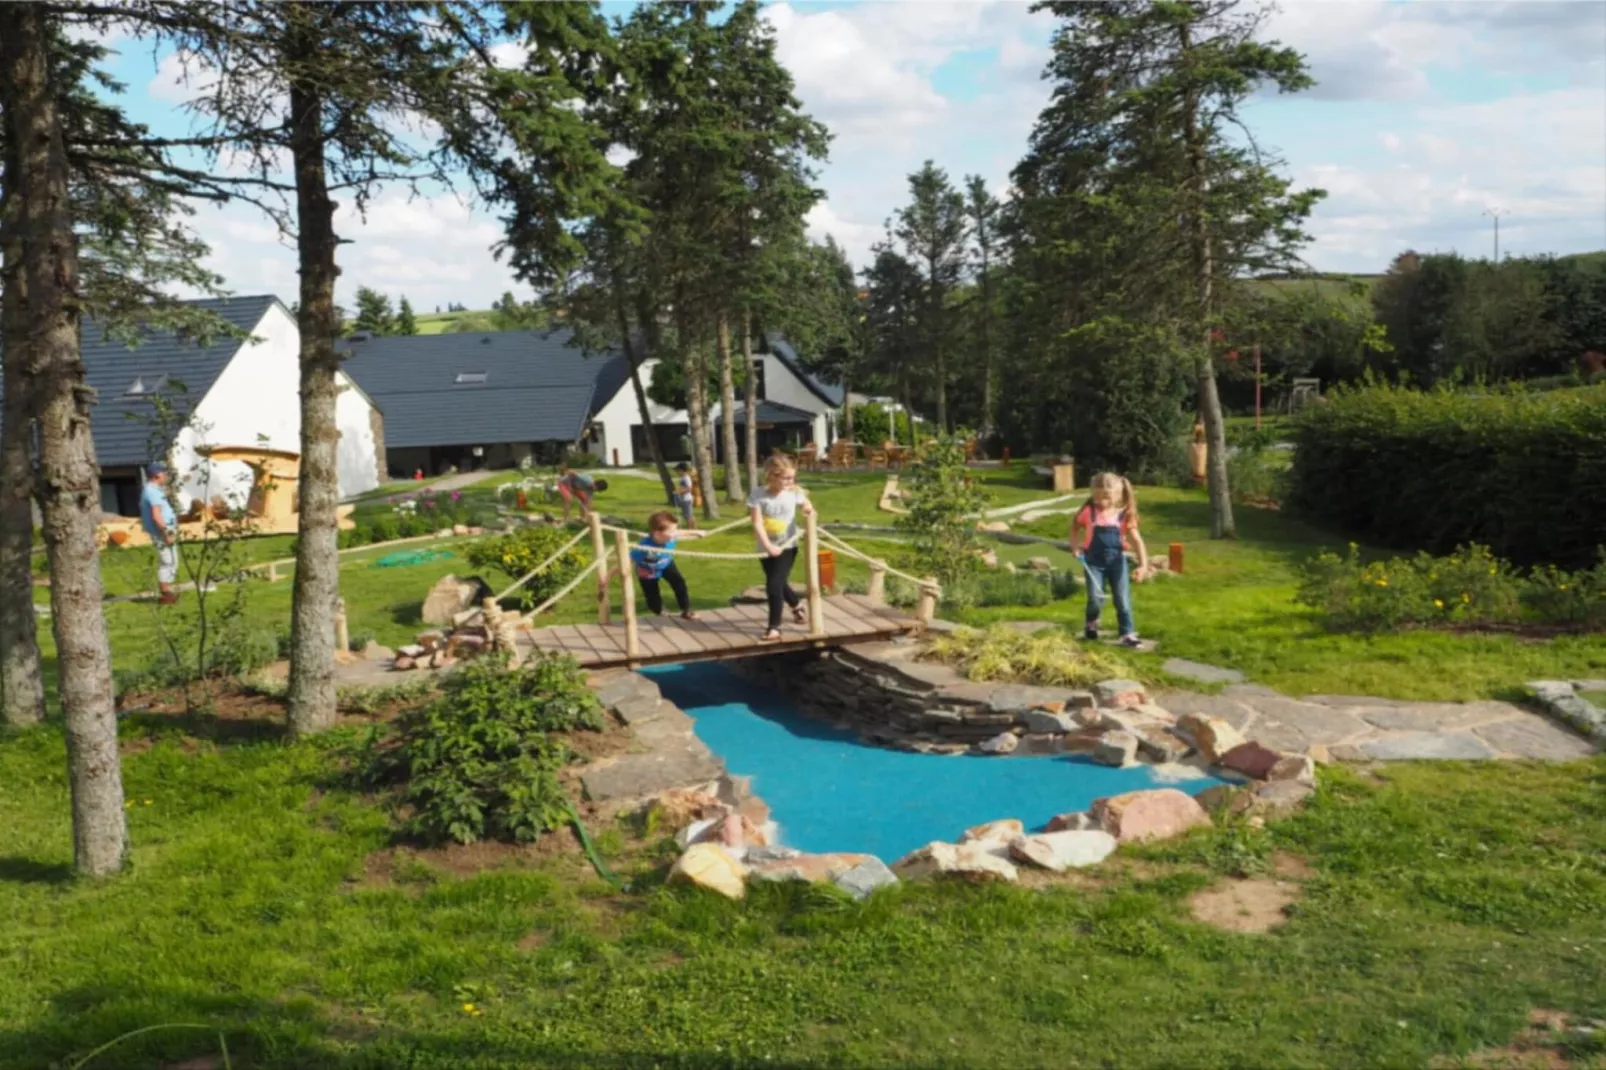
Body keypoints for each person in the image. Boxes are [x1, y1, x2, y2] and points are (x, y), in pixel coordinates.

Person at [1070, 471, 1151, 647]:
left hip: (1117, 563)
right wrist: (1075, 547)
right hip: (1093, 563)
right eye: (1098, 497)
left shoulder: (1123, 515)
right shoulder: (1088, 512)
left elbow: (1137, 540)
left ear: (1117, 494)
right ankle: (1091, 623)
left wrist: (1143, 565)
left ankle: (1127, 633)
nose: (1101, 501)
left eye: (1106, 496)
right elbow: (1074, 527)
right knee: (1095, 598)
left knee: (1122, 599)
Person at [748, 453, 813, 642]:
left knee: (773, 585)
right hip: (766, 546)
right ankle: (797, 606)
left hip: (788, 545)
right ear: (772, 476)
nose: (790, 481)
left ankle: (774, 627)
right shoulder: (758, 494)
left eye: (792, 477)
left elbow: (806, 503)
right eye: (785, 478)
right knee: (778, 581)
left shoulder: (794, 492)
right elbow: (757, 523)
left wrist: (807, 509)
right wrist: (768, 546)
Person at [629, 510, 705, 619]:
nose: (675, 533)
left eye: (675, 529)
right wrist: (607, 577)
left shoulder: (670, 536)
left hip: (666, 564)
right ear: (657, 533)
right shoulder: (644, 546)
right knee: (652, 595)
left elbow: (679, 532)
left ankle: (686, 610)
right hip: (647, 571)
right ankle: (660, 611)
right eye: (672, 531)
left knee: (679, 583)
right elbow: (628, 560)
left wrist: (697, 532)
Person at [140, 462, 180, 605]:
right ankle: (165, 594)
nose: (166, 475)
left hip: (166, 530)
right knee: (167, 561)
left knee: (173, 561)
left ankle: (168, 591)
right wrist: (166, 533)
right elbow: (156, 515)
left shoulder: (155, 490)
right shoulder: (151, 491)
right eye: (164, 473)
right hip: (161, 532)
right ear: (156, 475)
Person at [673, 462, 697, 529]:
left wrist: (679, 492)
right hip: (684, 499)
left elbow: (689, 488)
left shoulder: (686, 478)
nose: (677, 472)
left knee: (688, 516)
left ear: (682, 470)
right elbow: (683, 487)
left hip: (686, 499)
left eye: (678, 470)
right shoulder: (683, 478)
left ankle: (690, 529)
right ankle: (693, 528)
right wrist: (678, 490)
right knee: (688, 515)